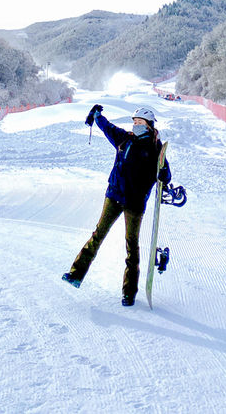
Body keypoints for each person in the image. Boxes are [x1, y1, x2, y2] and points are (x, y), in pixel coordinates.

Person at [62, 104, 171, 306]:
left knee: (132, 246)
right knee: (98, 235)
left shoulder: (155, 148)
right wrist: (97, 116)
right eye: (134, 122)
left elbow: (164, 172)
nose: (136, 125)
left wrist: (164, 175)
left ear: (149, 125)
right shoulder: (125, 138)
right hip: (114, 196)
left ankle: (129, 293)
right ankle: (76, 274)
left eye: (140, 123)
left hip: (135, 203)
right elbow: (107, 128)